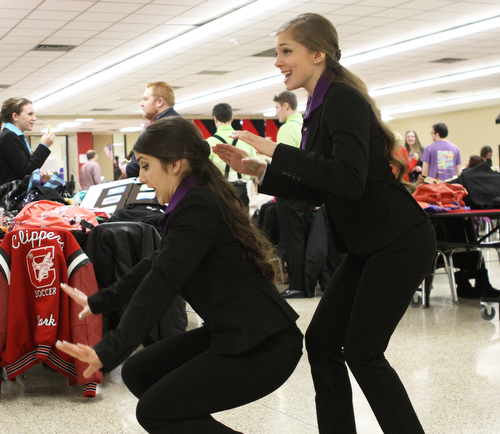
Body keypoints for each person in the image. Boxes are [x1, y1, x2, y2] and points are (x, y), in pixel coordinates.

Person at [213, 13, 436, 434]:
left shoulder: (343, 100)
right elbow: (323, 189)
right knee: (321, 343)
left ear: (318, 54)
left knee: (363, 352)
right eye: (278, 52)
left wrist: (278, 151)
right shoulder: (320, 106)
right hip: (368, 244)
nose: (278, 61)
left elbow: (348, 180)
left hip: (398, 240)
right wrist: (260, 169)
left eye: (286, 51)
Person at [56, 116, 303, 434]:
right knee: (140, 372)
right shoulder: (193, 200)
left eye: (146, 166)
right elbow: (156, 265)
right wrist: (101, 300)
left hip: (263, 344)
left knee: (155, 412)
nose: (143, 179)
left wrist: (107, 350)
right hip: (235, 332)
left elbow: (162, 283)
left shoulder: (198, 205)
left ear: (175, 165)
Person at [273, 90, 315, 298]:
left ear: (286, 106)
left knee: (293, 240)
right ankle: (309, 283)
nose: (276, 113)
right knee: (307, 236)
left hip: (290, 191)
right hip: (307, 190)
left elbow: (285, 164)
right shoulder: (305, 126)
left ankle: (297, 285)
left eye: (277, 108)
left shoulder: (287, 129)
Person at [124, 81, 180, 178]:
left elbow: (138, 165)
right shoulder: (181, 123)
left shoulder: (159, 129)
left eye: (145, 99)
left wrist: (127, 168)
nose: (141, 104)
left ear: (159, 102)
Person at [207, 103, 256, 208]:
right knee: (242, 222)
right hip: (241, 190)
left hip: (219, 191)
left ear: (215, 119)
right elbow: (254, 171)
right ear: (232, 118)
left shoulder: (209, 143)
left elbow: (205, 172)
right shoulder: (245, 140)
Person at [0, 97, 55, 186]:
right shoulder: (8, 137)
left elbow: (21, 172)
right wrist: (44, 146)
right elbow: (26, 172)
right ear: (15, 116)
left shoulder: (15, 137)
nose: (34, 118)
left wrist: (40, 177)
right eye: (30, 114)